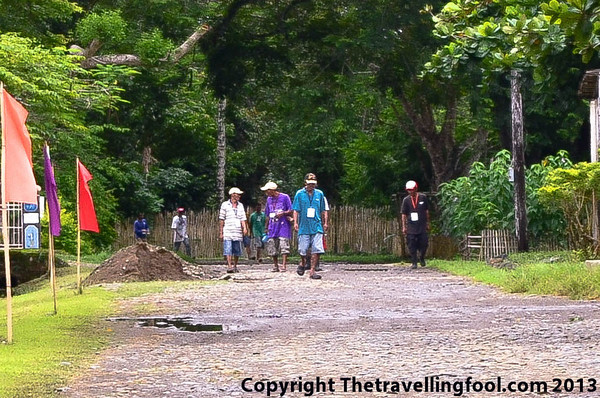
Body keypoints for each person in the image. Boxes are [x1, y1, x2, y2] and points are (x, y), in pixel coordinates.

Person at [292, 173, 328, 280]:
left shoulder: (320, 194)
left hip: (316, 226)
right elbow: (296, 209)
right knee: (303, 249)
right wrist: (295, 222)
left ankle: (312, 271)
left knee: (317, 249)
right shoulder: (299, 194)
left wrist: (325, 222)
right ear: (305, 183)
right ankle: (302, 263)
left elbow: (323, 209)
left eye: (313, 184)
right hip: (304, 226)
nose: (311, 186)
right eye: (309, 183)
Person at [262, 181, 293, 272]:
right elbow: (267, 214)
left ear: (272, 190)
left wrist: (283, 213)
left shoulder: (285, 197)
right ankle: (275, 265)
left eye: (268, 191)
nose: (267, 193)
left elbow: (291, 209)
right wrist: (266, 227)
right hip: (273, 225)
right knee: (272, 245)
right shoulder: (268, 199)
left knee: (284, 245)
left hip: (283, 225)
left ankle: (284, 265)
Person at [401, 180, 430, 269]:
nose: (410, 192)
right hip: (411, 226)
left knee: (424, 243)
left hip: (421, 225)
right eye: (409, 190)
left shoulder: (423, 197)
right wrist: (404, 227)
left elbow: (427, 211)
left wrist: (428, 223)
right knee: (411, 243)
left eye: (412, 190)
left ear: (416, 189)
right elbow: (403, 214)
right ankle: (414, 261)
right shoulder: (406, 200)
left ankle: (421, 257)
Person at [219, 187, 249, 273]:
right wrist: (221, 232)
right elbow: (221, 219)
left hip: (237, 230)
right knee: (228, 248)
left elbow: (243, 218)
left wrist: (245, 228)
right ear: (233, 195)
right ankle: (229, 266)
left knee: (237, 248)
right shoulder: (225, 205)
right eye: (238, 194)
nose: (239, 196)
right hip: (228, 229)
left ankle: (235, 265)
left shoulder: (240, 205)